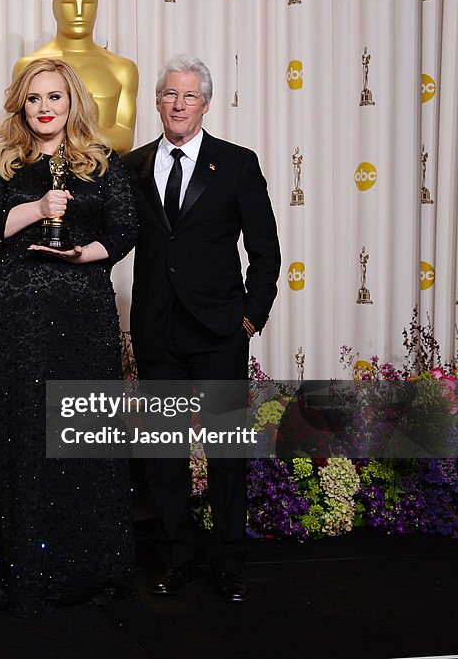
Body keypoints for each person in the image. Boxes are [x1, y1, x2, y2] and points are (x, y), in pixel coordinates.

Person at [0, 58, 138, 617]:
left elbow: (124, 231)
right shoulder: (0, 161)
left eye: (54, 97)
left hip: (81, 314)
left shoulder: (101, 163)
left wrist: (83, 252)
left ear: (72, 103)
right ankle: (20, 571)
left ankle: (86, 566)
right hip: (11, 316)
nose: (44, 107)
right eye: (34, 98)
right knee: (20, 434)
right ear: (21, 103)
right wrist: (34, 209)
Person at [123, 55, 280, 603]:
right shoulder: (134, 166)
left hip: (218, 331)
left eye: (189, 96)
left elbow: (265, 251)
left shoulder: (236, 164)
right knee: (165, 454)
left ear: (206, 104)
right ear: (157, 102)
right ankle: (174, 558)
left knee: (225, 456)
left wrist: (249, 318)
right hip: (158, 330)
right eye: (169, 94)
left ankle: (230, 562)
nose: (178, 104)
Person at [13, 0, 138, 154]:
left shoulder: (122, 69)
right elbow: (19, 133)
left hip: (104, 175)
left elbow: (125, 139)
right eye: (69, 3)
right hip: (40, 175)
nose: (79, 11)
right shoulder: (27, 66)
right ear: (54, 7)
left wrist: (68, 134)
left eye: (87, 3)